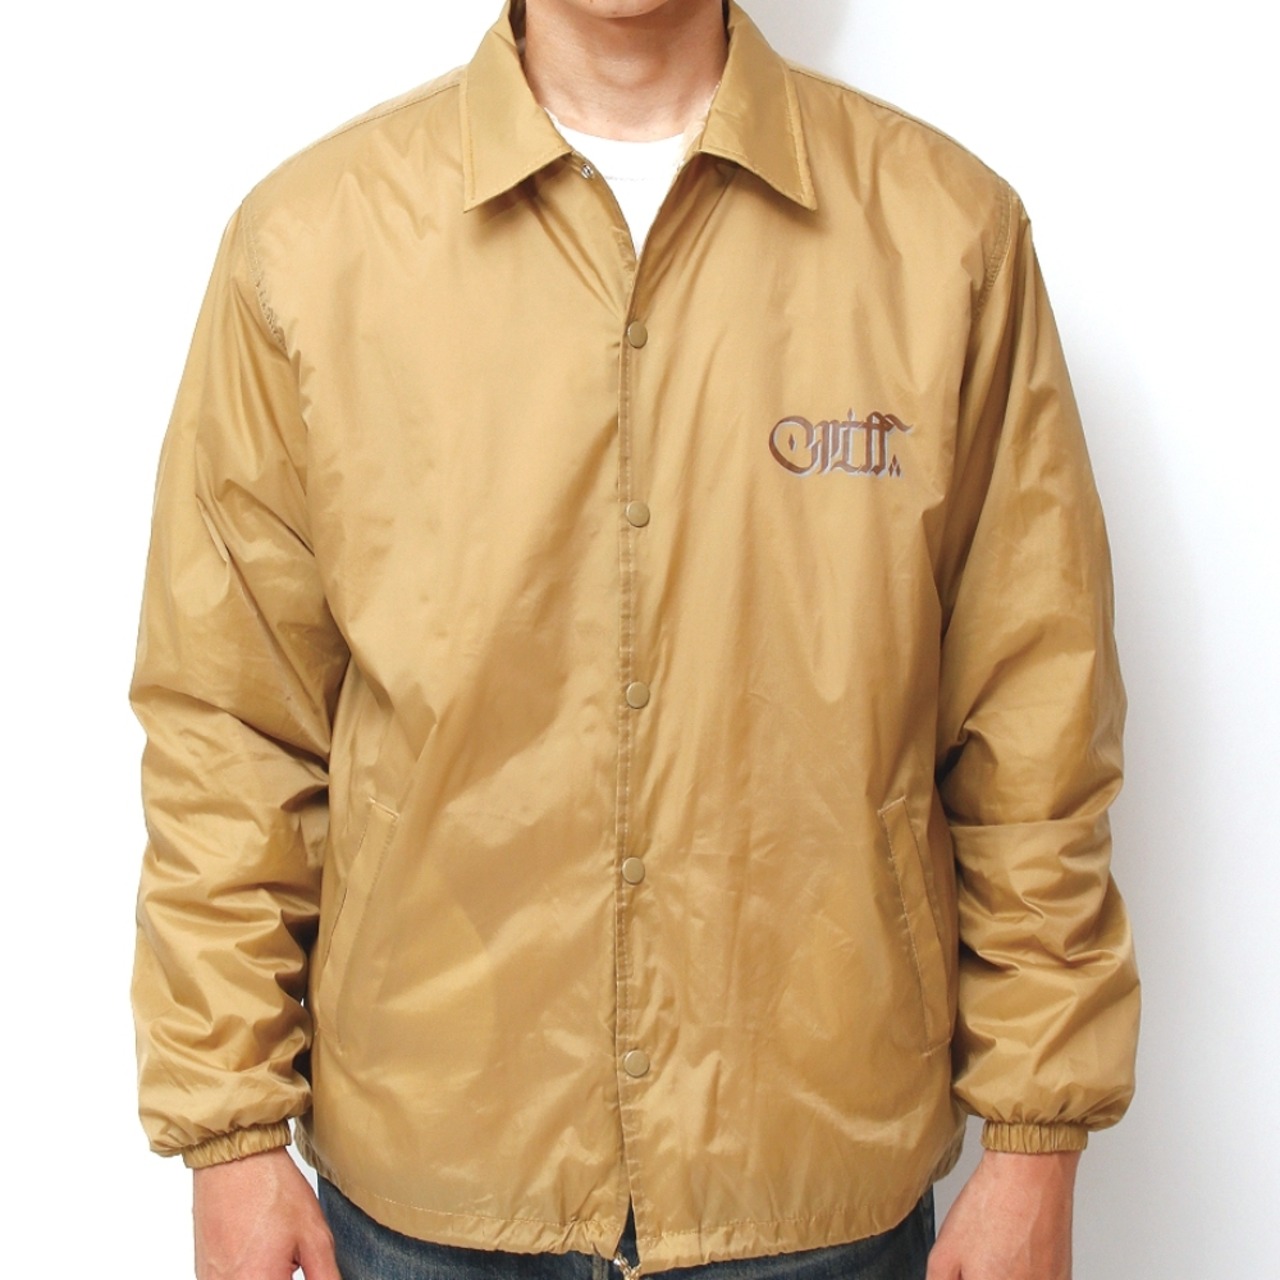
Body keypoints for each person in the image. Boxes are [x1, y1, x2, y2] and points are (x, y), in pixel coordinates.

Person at [130, 2, 1140, 1278]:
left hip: (814, 1180)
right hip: (430, 1182)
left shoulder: (945, 238)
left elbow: (1033, 714)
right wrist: (230, 1133)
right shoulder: (311, 243)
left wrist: (1035, 1136)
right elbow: (228, 726)